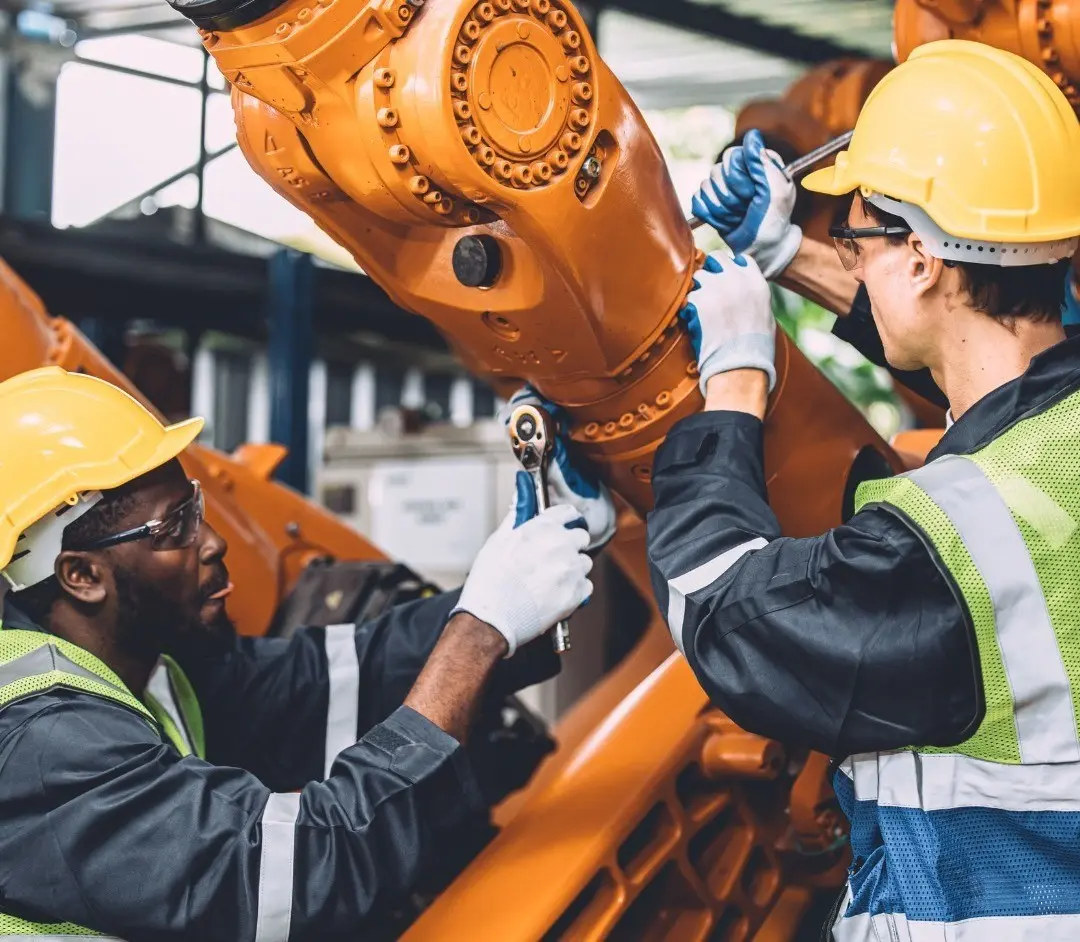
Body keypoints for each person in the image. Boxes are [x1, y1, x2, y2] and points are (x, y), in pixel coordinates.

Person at [649, 40, 1080, 940]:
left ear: (922, 257)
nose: (848, 251)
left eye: (859, 237)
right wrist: (787, 250)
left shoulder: (948, 545)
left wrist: (733, 386)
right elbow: (996, 385)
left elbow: (725, 617)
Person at [0, 366, 612, 940]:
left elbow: (329, 679)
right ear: (81, 576)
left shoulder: (143, 666)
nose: (212, 543)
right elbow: (303, 872)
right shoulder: (47, 746)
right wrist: (477, 633)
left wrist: (524, 567)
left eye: (196, 507)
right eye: (174, 528)